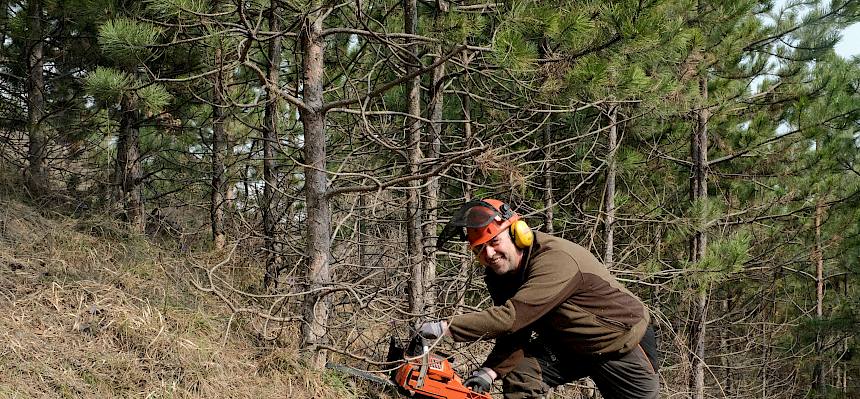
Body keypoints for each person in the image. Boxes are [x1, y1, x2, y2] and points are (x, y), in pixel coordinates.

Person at [418, 199, 659, 399]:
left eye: (494, 242)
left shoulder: (555, 260)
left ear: (517, 233)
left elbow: (510, 318)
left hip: (620, 343)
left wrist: (443, 328)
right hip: (569, 344)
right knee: (522, 373)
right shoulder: (500, 275)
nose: (489, 254)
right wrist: (490, 372)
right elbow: (516, 330)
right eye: (479, 249)